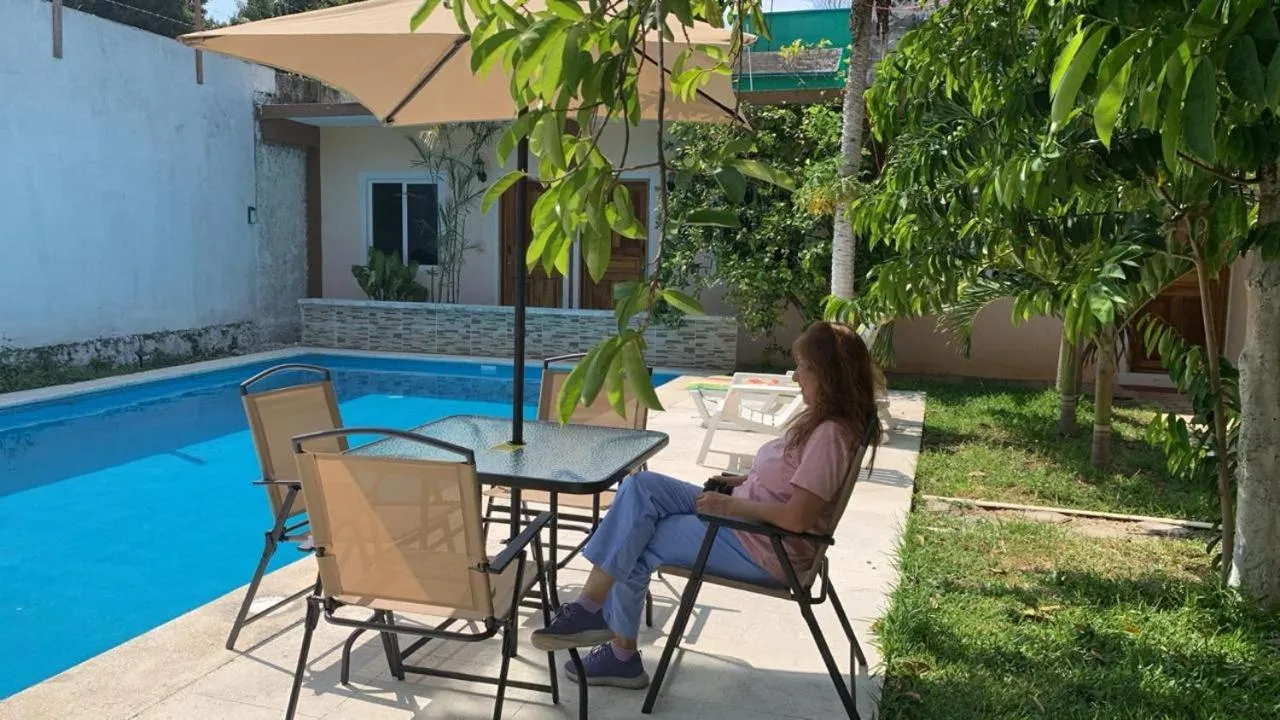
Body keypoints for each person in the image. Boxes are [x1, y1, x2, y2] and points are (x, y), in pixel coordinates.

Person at [530, 321, 882, 688]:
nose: (795, 376)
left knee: (636, 539)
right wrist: (742, 483)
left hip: (762, 545)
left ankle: (615, 647)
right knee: (641, 487)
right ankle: (592, 611)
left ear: (827, 375)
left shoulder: (830, 436)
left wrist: (733, 508)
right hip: (749, 522)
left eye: (803, 367)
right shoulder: (824, 423)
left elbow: (798, 517)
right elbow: (792, 481)